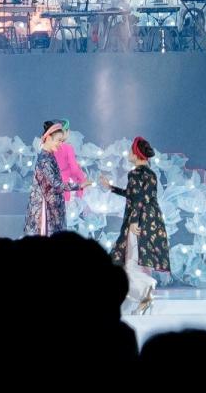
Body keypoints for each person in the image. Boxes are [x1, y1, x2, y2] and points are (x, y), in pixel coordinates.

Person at [103, 136, 169, 314]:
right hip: (152, 222)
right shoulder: (151, 174)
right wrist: (112, 188)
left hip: (138, 222)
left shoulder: (135, 174)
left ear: (136, 154)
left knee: (129, 262)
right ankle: (141, 300)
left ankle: (146, 289)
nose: (128, 154)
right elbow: (134, 194)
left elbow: (138, 199)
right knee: (137, 261)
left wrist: (133, 222)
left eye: (131, 151)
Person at [25, 119, 69, 235]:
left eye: (62, 141)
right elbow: (55, 184)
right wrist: (79, 185)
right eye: (59, 140)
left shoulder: (49, 156)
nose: (60, 144)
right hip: (45, 209)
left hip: (51, 206)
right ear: (49, 138)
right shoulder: (45, 160)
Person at [55, 121, 89, 204]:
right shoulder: (68, 147)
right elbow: (74, 168)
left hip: (55, 175)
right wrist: (78, 170)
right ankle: (80, 200)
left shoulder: (51, 147)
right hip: (66, 175)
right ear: (65, 132)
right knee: (82, 178)